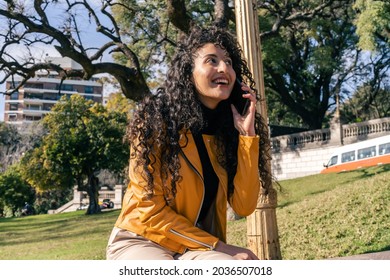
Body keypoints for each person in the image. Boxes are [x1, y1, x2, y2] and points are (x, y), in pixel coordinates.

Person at [106, 25, 270, 260]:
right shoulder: (155, 122)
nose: (224, 68)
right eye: (211, 60)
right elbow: (148, 210)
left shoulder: (228, 132)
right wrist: (222, 247)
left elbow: (244, 206)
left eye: (229, 62)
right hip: (142, 239)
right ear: (188, 71)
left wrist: (247, 137)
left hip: (197, 245)